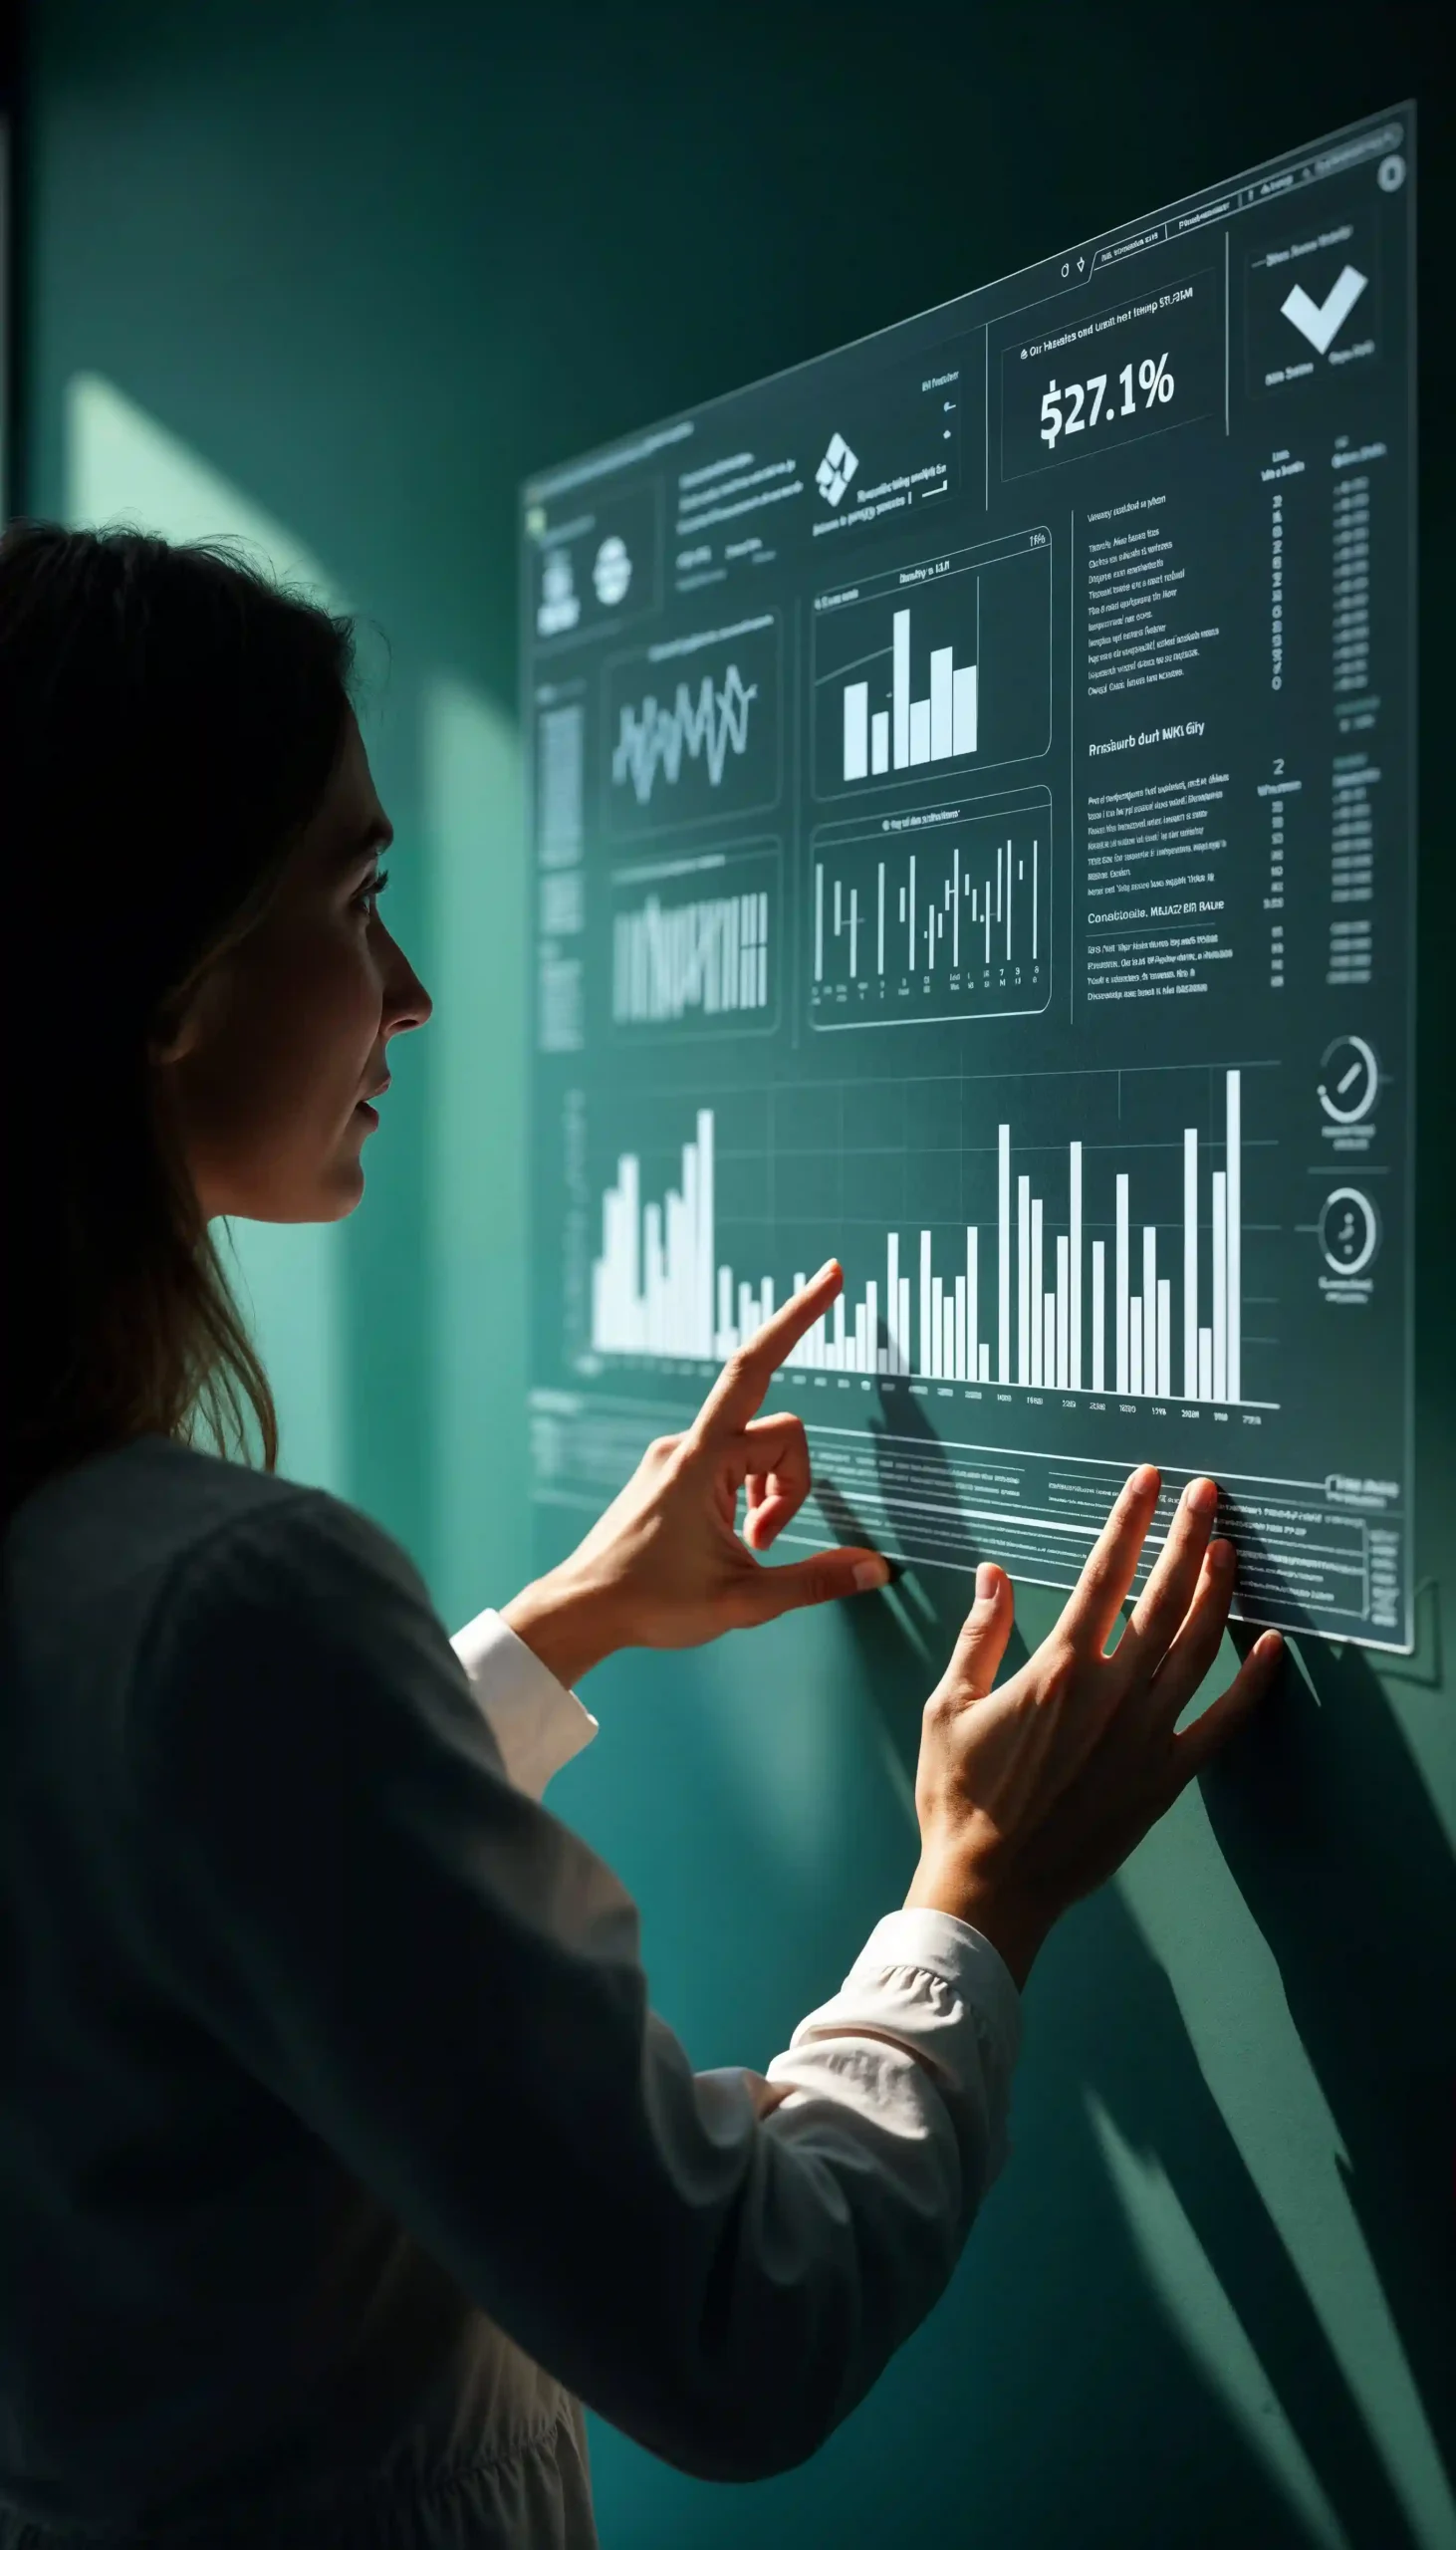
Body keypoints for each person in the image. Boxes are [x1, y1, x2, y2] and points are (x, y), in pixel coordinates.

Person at [0, 522, 1284, 2550]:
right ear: (163, 979)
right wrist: (975, 1894)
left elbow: (159, 1887)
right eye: (355, 895)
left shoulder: (84, 1573)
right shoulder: (222, 1596)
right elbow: (729, 2320)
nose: (407, 989)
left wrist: (551, 1634)